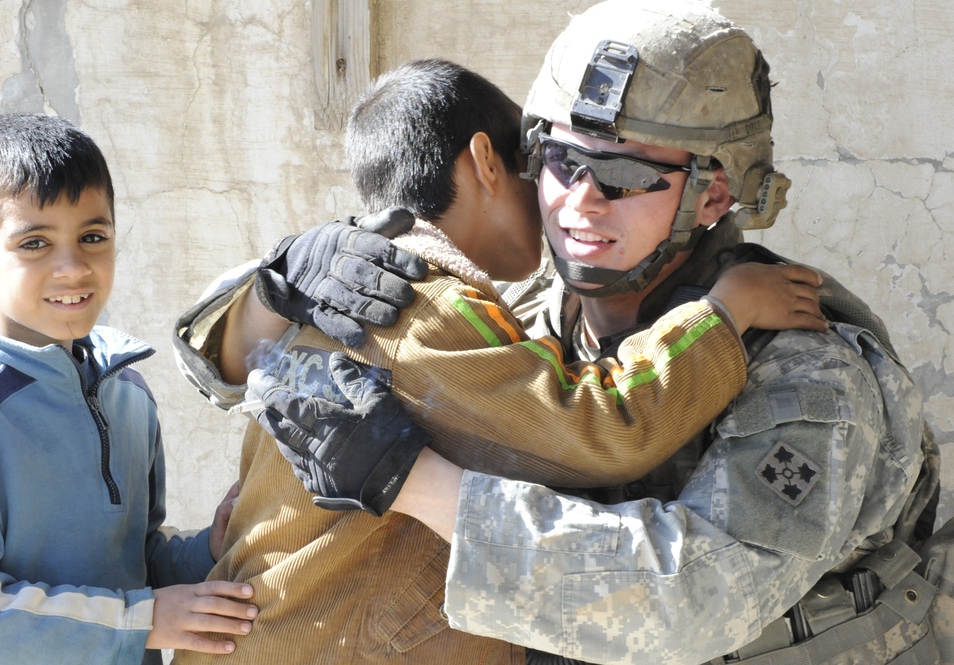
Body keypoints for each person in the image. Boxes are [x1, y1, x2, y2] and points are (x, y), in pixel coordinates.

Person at [213, 2, 941, 664]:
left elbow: (690, 600)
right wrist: (278, 287)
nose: (580, 203)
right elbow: (222, 366)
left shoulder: (806, 368)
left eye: (622, 174)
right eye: (562, 162)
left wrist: (409, 483)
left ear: (713, 192)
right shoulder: (518, 312)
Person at [0, 113, 258, 665]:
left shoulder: (127, 391)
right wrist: (137, 622)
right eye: (35, 243)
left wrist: (208, 552)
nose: (73, 267)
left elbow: (135, 564)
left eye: (93, 236)